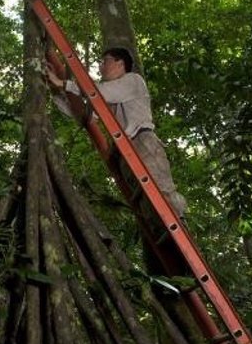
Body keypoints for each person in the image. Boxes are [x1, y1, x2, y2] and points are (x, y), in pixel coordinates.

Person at [46, 47, 187, 217]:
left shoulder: (133, 80)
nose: (100, 67)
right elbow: (82, 114)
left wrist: (63, 83)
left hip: (142, 142)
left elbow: (98, 93)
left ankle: (180, 223)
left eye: (104, 62)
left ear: (120, 63)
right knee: (146, 205)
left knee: (163, 197)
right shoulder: (111, 96)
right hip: (126, 152)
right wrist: (54, 88)